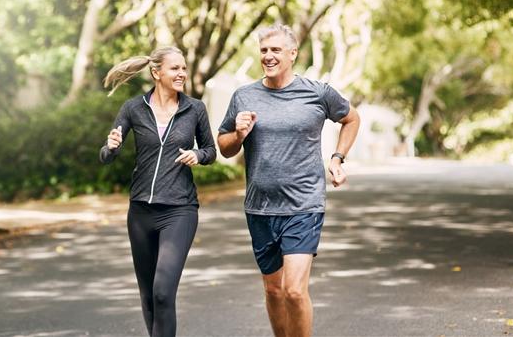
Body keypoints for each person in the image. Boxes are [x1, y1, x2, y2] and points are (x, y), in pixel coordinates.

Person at [217, 24, 360, 337]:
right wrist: (238, 134)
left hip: (304, 204)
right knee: (273, 292)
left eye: (276, 50)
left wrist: (337, 158)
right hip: (260, 208)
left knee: (294, 290)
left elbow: (351, 118)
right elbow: (225, 147)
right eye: (264, 50)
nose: (268, 56)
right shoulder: (244, 96)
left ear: (293, 54)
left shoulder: (317, 92)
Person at [99, 46, 216, 337]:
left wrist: (197, 156)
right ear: (157, 73)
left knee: (163, 292)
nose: (182, 74)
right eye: (175, 68)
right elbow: (106, 154)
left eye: (184, 68)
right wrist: (111, 147)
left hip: (179, 210)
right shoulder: (133, 108)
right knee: (149, 296)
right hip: (140, 212)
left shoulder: (195, 109)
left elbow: (211, 150)